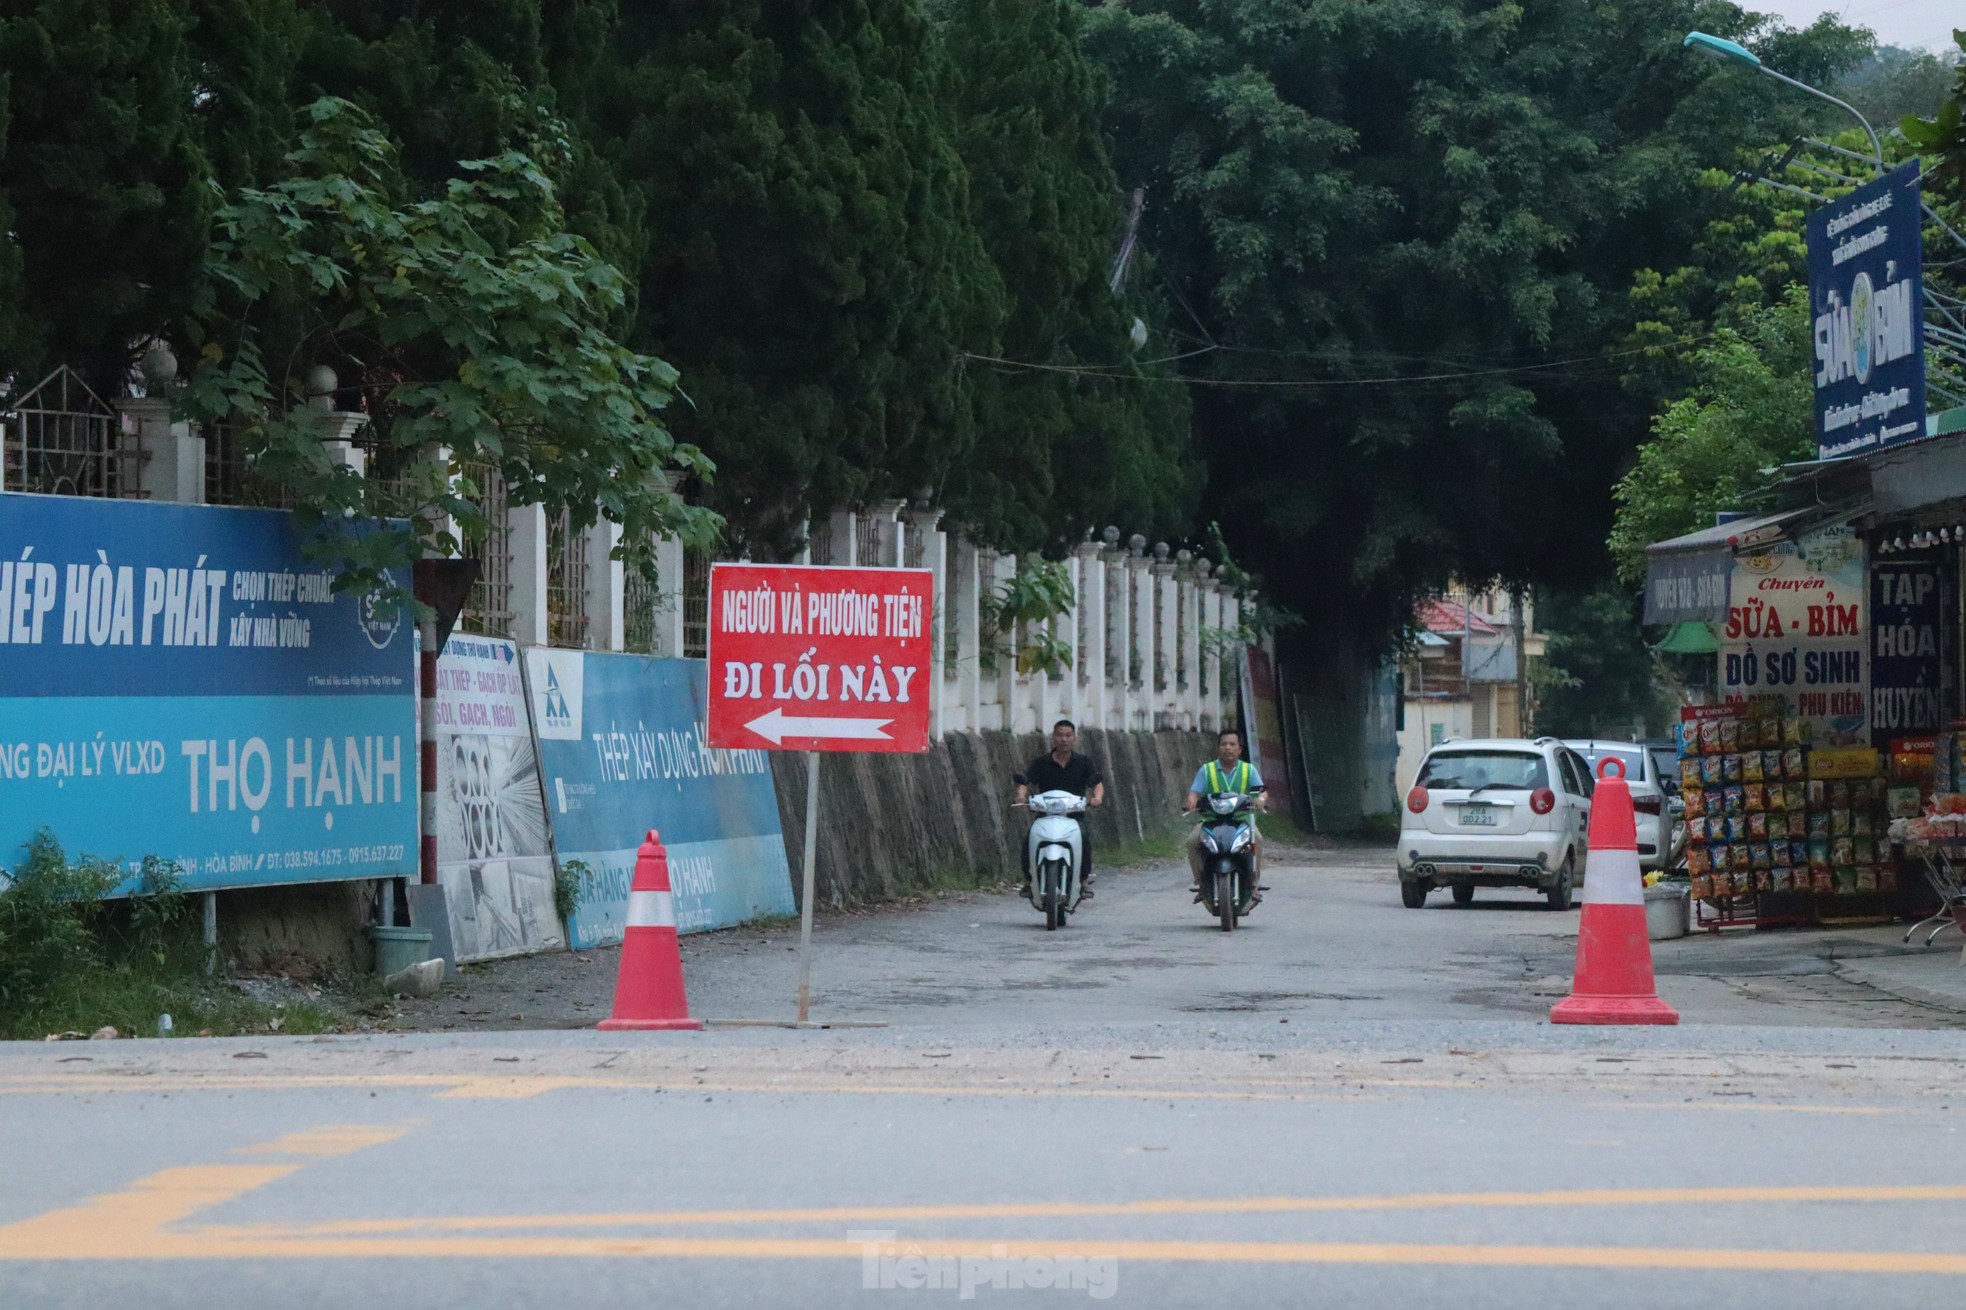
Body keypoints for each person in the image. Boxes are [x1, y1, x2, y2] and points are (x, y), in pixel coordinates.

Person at [1013, 719, 1105, 899]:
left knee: (1084, 840)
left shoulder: (1083, 762)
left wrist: (1097, 798)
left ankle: (1084, 881)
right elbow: (1026, 781)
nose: (1064, 739)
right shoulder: (1041, 763)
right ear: (1053, 738)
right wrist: (1021, 796)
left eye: (1068, 735)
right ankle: (1029, 880)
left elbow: (1097, 783)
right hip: (1045, 815)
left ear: (1074, 739)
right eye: (1060, 735)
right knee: (1029, 840)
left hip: (1073, 816)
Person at [1184, 728, 1266, 901]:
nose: (1227, 748)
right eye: (1223, 744)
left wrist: (1260, 799)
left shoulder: (1248, 770)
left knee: (1256, 839)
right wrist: (1192, 800)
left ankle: (1253, 884)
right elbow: (1194, 792)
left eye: (1232, 744)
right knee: (1192, 841)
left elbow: (1262, 791)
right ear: (1218, 747)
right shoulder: (1207, 770)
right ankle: (1201, 883)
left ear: (1239, 749)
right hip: (1211, 820)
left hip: (1242, 820)